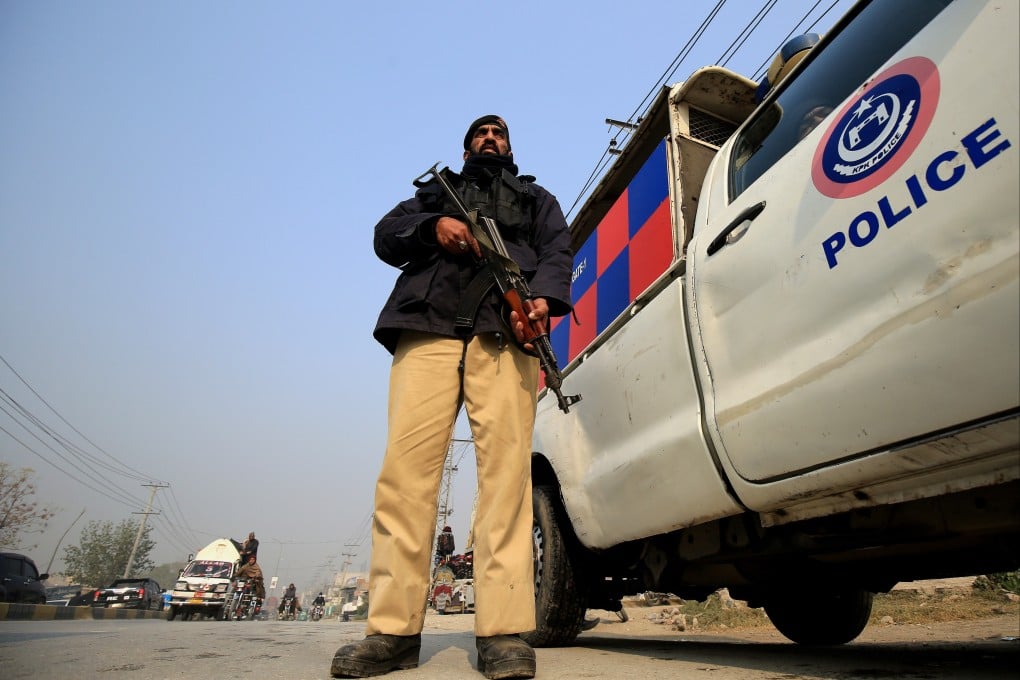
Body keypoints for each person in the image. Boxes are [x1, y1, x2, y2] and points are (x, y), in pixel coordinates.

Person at [330, 115, 573, 680]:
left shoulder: (537, 199)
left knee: (507, 480)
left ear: (510, 146)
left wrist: (542, 300)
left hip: (503, 332)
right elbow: (383, 237)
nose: (491, 139)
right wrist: (433, 226)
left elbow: (558, 253)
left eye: (500, 134)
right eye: (481, 134)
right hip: (428, 328)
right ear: (466, 147)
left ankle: (503, 632)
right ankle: (391, 632)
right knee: (405, 478)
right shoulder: (429, 195)